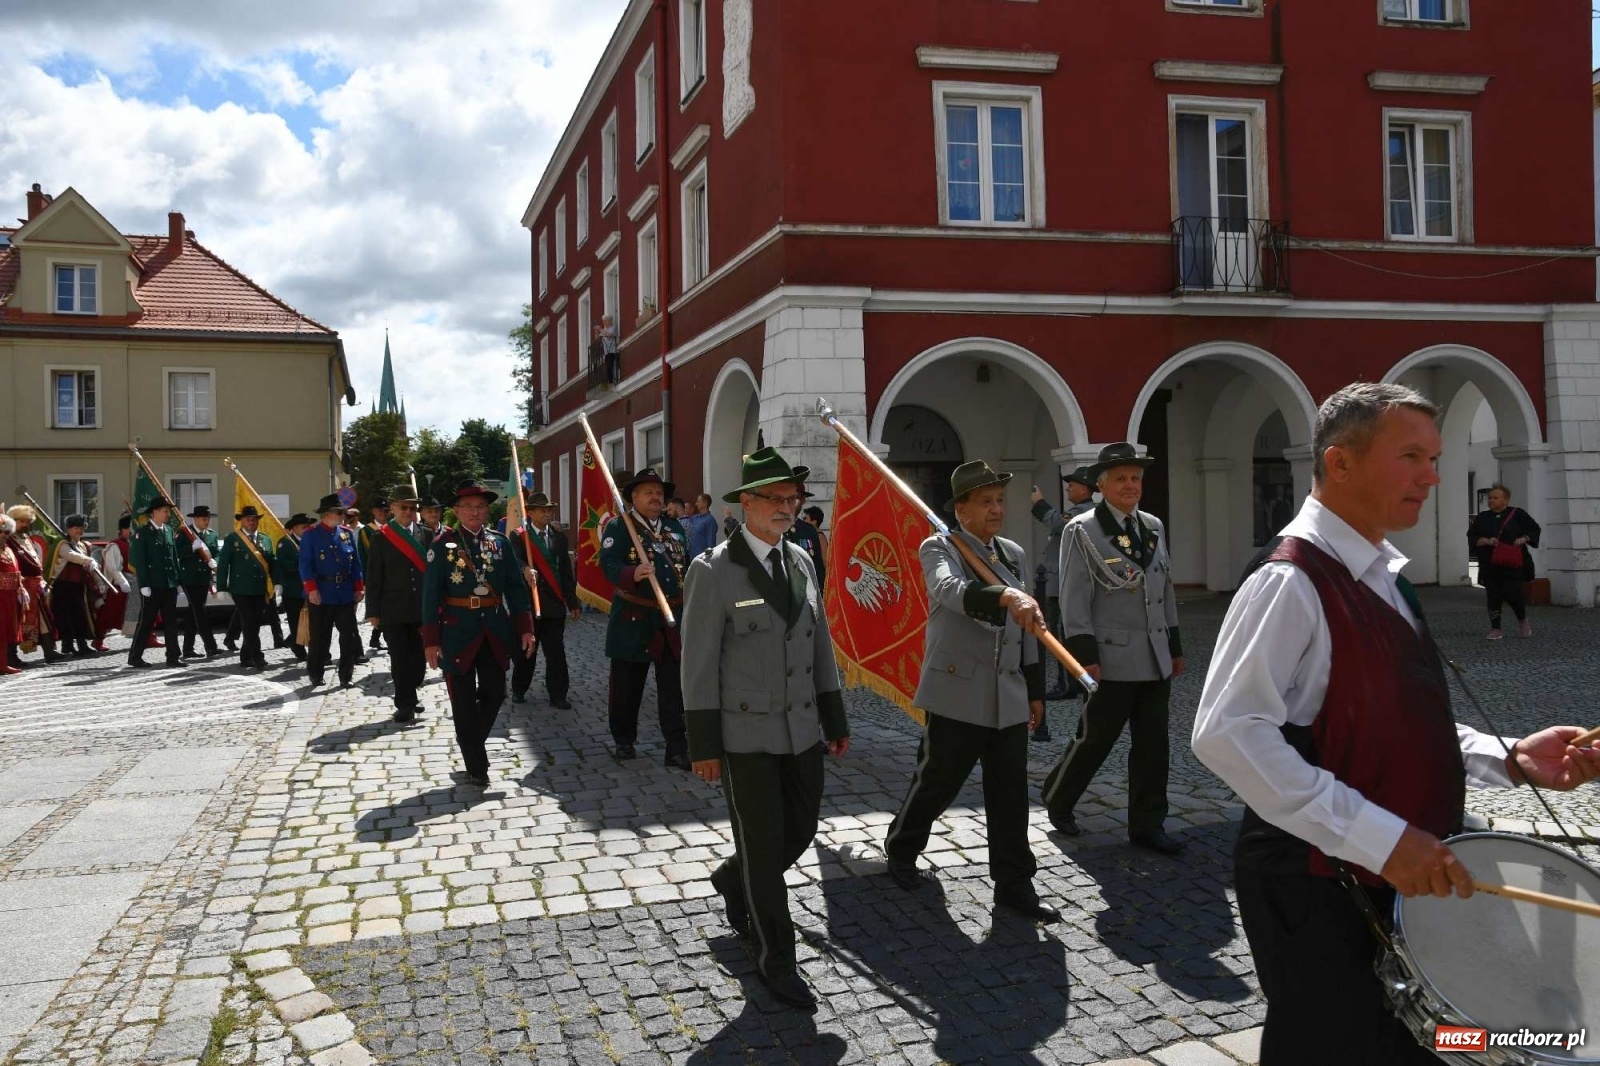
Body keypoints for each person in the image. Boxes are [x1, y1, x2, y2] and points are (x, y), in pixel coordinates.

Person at [1191, 382, 1600, 1065]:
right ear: (1340, 463)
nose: (1432, 476)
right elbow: (1228, 733)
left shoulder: (1384, 573)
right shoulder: (1288, 580)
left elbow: (1394, 721)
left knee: (1411, 1047)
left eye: (1435, 458)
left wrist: (1511, 758)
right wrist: (1378, 840)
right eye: (1411, 456)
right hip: (1318, 886)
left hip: (1396, 877)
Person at [682, 447, 851, 1011]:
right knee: (762, 846)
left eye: (792, 499)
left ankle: (734, 879)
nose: (787, 508)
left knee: (797, 833)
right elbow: (698, 665)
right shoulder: (712, 570)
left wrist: (834, 716)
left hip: (802, 729)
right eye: (775, 499)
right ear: (746, 503)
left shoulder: (801, 561)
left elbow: (819, 646)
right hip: (744, 736)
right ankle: (775, 956)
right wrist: (703, 746)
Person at [883, 460, 1058, 921]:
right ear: (961, 510)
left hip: (1008, 692)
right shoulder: (939, 547)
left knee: (1010, 793)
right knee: (938, 781)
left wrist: (1034, 691)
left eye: (1000, 500)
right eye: (986, 502)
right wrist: (1004, 596)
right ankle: (902, 848)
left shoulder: (1013, 554)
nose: (997, 509)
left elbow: (1029, 628)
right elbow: (949, 592)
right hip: (957, 687)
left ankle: (1014, 883)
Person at [1041, 443, 1184, 855]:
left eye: (1136, 478)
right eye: (1121, 478)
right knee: (1096, 739)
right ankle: (1059, 797)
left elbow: (1165, 591)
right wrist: (1084, 657)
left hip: (1155, 656)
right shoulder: (1083, 529)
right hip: (1111, 657)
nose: (1130, 486)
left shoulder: (1153, 525)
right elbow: (1073, 599)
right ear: (1101, 485)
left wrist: (1174, 646)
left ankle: (1148, 825)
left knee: (1154, 746)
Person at [421, 480, 535, 785]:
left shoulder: (500, 542)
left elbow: (514, 587)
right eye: (468, 507)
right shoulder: (441, 546)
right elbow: (430, 596)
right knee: (462, 699)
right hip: (457, 632)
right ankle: (476, 765)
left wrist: (525, 628)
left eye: (481, 506)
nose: (475, 512)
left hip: (495, 629)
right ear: (456, 511)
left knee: (495, 692)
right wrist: (431, 641)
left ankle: (472, 742)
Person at [600, 468, 691, 767]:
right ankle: (624, 740)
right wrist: (631, 573)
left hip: (671, 618)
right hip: (634, 616)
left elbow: (686, 565)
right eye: (648, 492)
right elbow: (608, 564)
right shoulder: (619, 527)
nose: (656, 497)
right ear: (633, 497)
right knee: (627, 685)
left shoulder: (674, 528)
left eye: (659, 493)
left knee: (673, 687)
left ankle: (676, 747)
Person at [1029, 466, 1096, 722]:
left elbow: (1057, 523)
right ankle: (1070, 680)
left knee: (1061, 635)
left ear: (1085, 488)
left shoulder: (1083, 512)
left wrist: (1039, 503)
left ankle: (1068, 683)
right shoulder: (1082, 511)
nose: (1068, 488)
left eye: (1072, 484)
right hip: (1059, 582)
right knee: (1061, 632)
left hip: (1062, 584)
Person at [366, 488, 430, 722]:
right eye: (403, 507)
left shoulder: (426, 534)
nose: (408, 512)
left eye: (412, 508)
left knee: (419, 660)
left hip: (421, 607)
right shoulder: (381, 537)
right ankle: (405, 703)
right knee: (400, 658)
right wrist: (373, 612)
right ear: (392, 508)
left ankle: (411, 692)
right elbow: (374, 577)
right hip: (393, 609)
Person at [509, 492, 579, 709]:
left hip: (555, 606)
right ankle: (519, 688)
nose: (547, 514)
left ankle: (558, 694)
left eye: (550, 510)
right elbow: (514, 560)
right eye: (542, 510)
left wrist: (573, 602)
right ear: (530, 513)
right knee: (526, 652)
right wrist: (524, 568)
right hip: (530, 605)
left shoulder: (559, 537)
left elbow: (566, 573)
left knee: (556, 654)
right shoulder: (519, 536)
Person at [300, 494, 365, 689]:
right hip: (322, 592)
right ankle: (316, 673)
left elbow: (356, 563)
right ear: (327, 514)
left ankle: (346, 675)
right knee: (320, 637)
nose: (343, 515)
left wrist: (358, 587)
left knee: (348, 636)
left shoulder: (345, 533)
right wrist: (311, 589)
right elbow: (305, 565)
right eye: (339, 512)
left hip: (344, 593)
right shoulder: (311, 535)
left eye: (343, 512)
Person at [1469, 483, 1540, 640]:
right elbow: (1472, 537)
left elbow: (1534, 529)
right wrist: (1486, 541)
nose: (1491, 500)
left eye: (1495, 497)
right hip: (1490, 563)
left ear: (1506, 499)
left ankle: (1522, 619)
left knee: (1514, 594)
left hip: (1512, 563)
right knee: (1493, 595)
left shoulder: (1518, 514)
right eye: (1490, 498)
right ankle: (1496, 628)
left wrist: (1524, 538)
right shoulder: (1483, 517)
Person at [128, 499, 186, 669]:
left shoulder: (168, 530)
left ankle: (173, 657)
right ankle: (135, 656)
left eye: (168, 511)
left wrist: (177, 580)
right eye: (164, 511)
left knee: (171, 622)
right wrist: (144, 584)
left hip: (168, 584)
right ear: (154, 512)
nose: (168, 514)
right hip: (152, 585)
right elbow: (141, 560)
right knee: (146, 622)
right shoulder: (143, 532)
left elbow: (173, 557)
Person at [216, 506, 274, 670]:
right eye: (248, 519)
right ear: (241, 521)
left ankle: (245, 656)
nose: (251, 522)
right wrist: (221, 586)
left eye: (254, 519)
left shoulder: (265, 539)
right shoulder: (233, 539)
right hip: (240, 589)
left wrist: (277, 583)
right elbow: (223, 564)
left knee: (255, 624)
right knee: (248, 622)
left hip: (259, 588)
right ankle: (257, 657)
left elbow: (272, 562)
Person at [7, 506, 59, 665]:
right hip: (19, 586)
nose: (26, 525)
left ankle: (51, 652)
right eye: (23, 521)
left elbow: (34, 560)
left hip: (35, 585)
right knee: (17, 622)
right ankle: (11, 656)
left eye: (28, 521)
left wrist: (41, 579)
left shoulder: (26, 538)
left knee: (45, 619)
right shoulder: (9, 540)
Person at [47, 514, 102, 657]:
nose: (79, 530)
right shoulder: (62, 544)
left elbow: (91, 567)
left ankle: (82, 645)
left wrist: (100, 583)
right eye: (76, 528)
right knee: (64, 617)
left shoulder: (83, 546)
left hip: (78, 587)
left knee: (80, 616)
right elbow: (70, 555)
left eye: (82, 527)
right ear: (69, 529)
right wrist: (88, 560)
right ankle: (67, 645)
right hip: (62, 586)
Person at [178, 505, 221, 659]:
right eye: (204, 519)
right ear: (195, 519)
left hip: (203, 578)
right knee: (200, 611)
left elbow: (216, 552)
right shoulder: (185, 533)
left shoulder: (212, 535)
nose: (207, 522)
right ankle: (211, 646)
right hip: (189, 578)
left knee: (193, 613)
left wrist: (214, 561)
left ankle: (188, 649)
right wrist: (191, 548)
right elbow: (177, 552)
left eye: (208, 519)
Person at [93, 515, 133, 653]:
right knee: (110, 615)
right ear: (123, 529)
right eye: (130, 528)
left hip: (135, 584)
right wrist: (122, 582)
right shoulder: (115, 545)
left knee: (141, 613)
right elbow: (112, 567)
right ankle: (98, 640)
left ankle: (146, 637)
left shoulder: (133, 543)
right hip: (119, 585)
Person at [276, 514, 313, 662]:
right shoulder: (285, 543)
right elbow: (282, 564)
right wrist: (302, 563)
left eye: (307, 526)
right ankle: (299, 650)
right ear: (295, 529)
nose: (306, 529)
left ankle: (311, 647)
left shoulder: (310, 541)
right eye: (303, 527)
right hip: (293, 589)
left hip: (310, 588)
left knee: (312, 620)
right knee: (295, 621)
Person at [784, 491, 827, 592]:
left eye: (795, 498)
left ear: (803, 500)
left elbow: (818, 566)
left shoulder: (809, 530)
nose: (791, 502)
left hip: (808, 594)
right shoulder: (773, 529)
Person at [0, 516, 21, 675]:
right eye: (1, 532)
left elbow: (16, 571)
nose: (4, 535)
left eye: (7, 532)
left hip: (9, 596)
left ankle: (3, 663)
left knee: (6, 630)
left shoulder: (8, 549)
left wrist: (21, 588)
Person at [684, 493, 720, 558]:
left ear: (705, 503)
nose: (696, 504)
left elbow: (711, 542)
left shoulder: (710, 520)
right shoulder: (694, 518)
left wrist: (709, 558)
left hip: (702, 558)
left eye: (698, 501)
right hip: (691, 557)